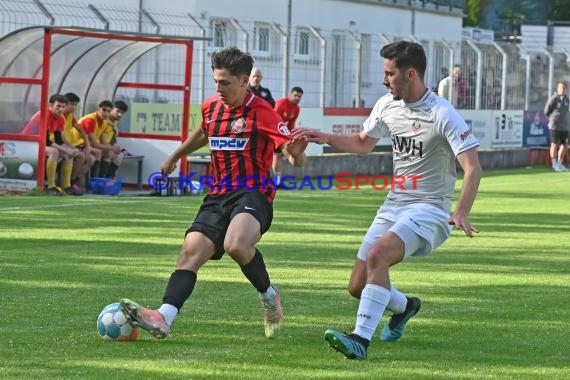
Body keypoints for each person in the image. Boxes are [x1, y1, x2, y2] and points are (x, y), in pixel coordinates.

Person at [293, 41, 482, 360]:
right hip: (394, 204)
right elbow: (363, 143)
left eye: (389, 73)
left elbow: (473, 166)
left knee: (378, 255)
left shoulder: (442, 112)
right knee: (357, 285)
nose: (384, 79)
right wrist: (323, 137)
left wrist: (461, 211)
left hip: (431, 209)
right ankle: (406, 306)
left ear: (410, 74)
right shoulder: (386, 105)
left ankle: (359, 340)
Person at [119, 47, 308, 340]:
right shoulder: (211, 107)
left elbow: (292, 154)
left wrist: (296, 155)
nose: (218, 88)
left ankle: (269, 296)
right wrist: (175, 155)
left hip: (252, 193)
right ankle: (163, 317)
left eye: (225, 83)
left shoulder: (263, 113)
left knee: (236, 245)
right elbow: (204, 132)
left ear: (244, 81)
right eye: (215, 81)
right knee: (190, 252)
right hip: (218, 195)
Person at [22, 94, 78, 195]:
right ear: (51, 105)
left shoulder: (61, 118)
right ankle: (50, 185)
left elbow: (59, 139)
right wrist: (66, 150)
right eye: (58, 106)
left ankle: (66, 186)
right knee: (54, 152)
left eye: (63, 106)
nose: (60, 109)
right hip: (28, 143)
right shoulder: (44, 115)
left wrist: (71, 149)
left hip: (40, 143)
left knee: (68, 153)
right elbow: (47, 140)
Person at [78, 100, 121, 178]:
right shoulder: (90, 120)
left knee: (116, 156)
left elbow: (104, 142)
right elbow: (94, 143)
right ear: (98, 108)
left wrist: (112, 148)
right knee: (98, 152)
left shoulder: (104, 122)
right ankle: (92, 180)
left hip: (88, 145)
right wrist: (112, 148)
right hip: (78, 144)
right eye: (104, 110)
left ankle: (104, 180)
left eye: (108, 111)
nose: (106, 113)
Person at [62, 92, 95, 194]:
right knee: (80, 155)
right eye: (71, 104)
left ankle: (74, 180)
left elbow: (81, 130)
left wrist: (88, 146)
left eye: (75, 104)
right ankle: (68, 183)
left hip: (69, 144)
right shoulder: (60, 116)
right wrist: (73, 147)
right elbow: (61, 137)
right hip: (60, 144)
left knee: (91, 158)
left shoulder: (70, 116)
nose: (74, 107)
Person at [272, 86, 304, 186]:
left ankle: (276, 182)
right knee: (274, 156)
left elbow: (290, 125)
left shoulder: (297, 109)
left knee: (278, 156)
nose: (297, 98)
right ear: (290, 95)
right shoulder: (280, 104)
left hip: (280, 134)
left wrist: (290, 139)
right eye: (295, 95)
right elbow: (272, 121)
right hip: (271, 132)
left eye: (299, 96)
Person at [544, 81, 569, 172]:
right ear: (557, 89)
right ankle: (554, 164)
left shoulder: (567, 100)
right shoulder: (553, 99)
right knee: (554, 144)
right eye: (560, 87)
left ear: (566, 89)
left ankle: (559, 163)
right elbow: (546, 111)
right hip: (555, 126)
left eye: (564, 88)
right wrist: (551, 120)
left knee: (565, 145)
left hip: (565, 126)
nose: (562, 89)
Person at [102, 100, 129, 178]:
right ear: (111, 109)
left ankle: (108, 179)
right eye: (118, 111)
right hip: (97, 146)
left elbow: (112, 140)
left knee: (119, 157)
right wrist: (112, 148)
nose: (120, 114)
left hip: (105, 146)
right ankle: (102, 179)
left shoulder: (115, 122)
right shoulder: (104, 120)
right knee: (109, 153)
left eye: (122, 113)